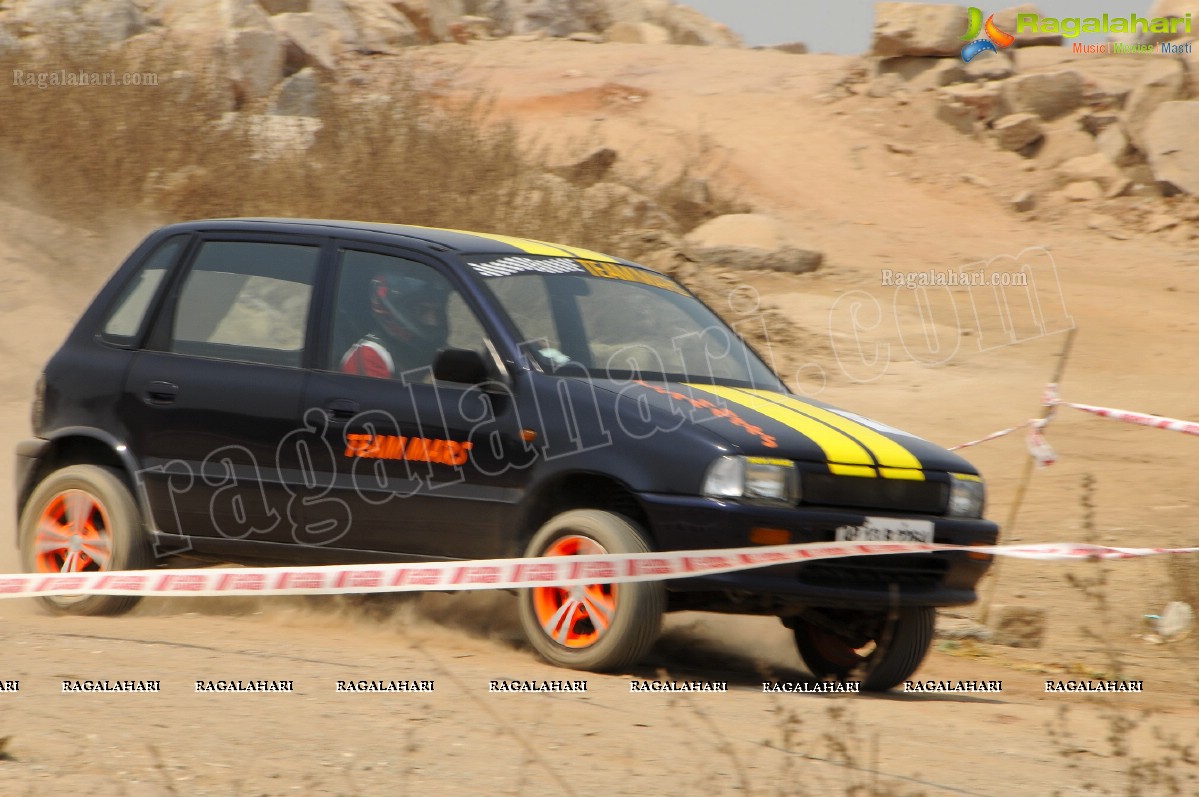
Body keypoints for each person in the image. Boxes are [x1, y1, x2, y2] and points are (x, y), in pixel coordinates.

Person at [339, 271, 450, 379]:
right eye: (421, 310)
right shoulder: (368, 356)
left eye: (437, 312)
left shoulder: (429, 350)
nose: (433, 322)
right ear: (392, 310)